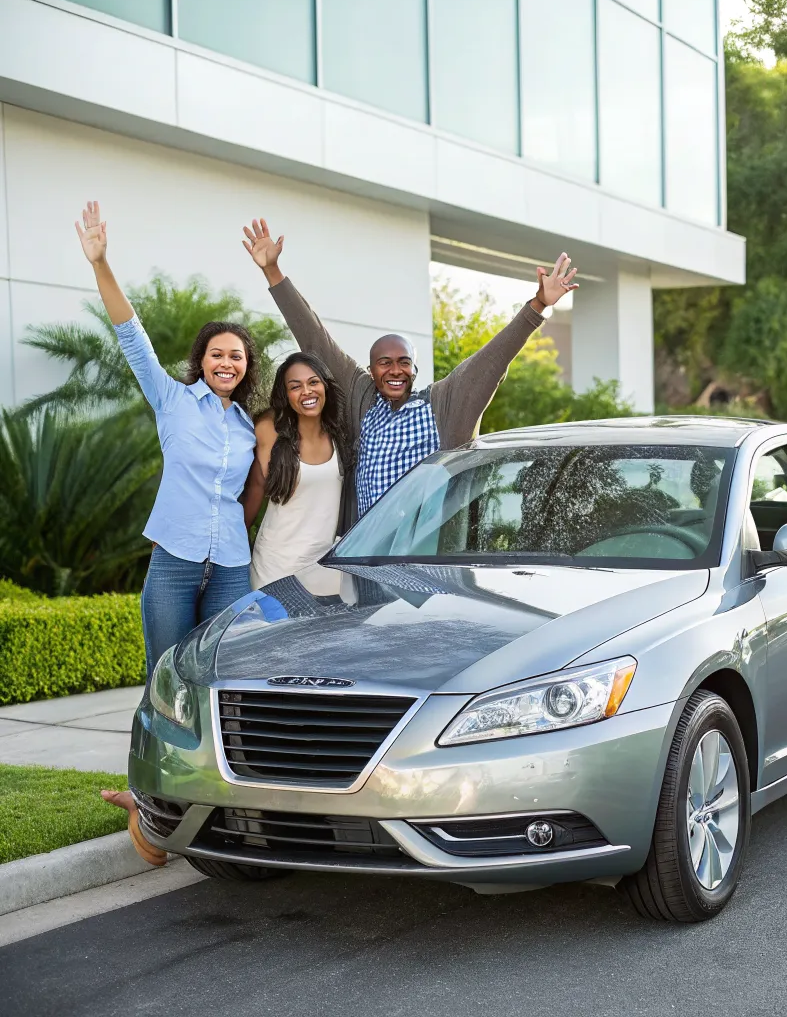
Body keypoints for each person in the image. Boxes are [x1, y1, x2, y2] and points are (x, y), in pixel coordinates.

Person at [75, 202, 259, 859]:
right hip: (176, 563)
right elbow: (130, 332)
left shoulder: (248, 428)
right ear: (201, 361)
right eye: (217, 353)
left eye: (236, 355)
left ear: (246, 367)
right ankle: (145, 801)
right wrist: (100, 261)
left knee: (220, 687)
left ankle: (216, 797)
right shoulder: (171, 400)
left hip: (231, 566)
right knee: (163, 680)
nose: (226, 362)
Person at [241, 218, 579, 530]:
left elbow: (493, 359)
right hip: (366, 554)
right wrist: (273, 271)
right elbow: (315, 337)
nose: (394, 369)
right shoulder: (362, 400)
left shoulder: (444, 405)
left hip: (425, 557)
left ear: (415, 370)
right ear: (370, 371)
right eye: (384, 362)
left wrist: (538, 305)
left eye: (403, 361)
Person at [243, 352, 348, 589]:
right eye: (295, 386)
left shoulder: (338, 436)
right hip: (273, 571)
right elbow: (253, 494)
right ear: (286, 394)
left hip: (324, 574)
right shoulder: (269, 431)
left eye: (313, 382)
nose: (307, 391)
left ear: (325, 386)